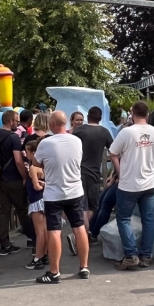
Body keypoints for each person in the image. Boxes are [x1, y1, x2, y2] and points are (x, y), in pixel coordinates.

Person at [32, 111, 91, 283]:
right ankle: (84, 266)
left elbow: (36, 163)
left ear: (51, 123)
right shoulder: (77, 141)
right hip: (75, 191)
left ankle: (54, 272)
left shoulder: (46, 143)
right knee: (79, 227)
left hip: (54, 193)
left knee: (54, 231)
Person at [110, 101, 154, 269]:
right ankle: (146, 255)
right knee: (148, 219)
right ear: (147, 114)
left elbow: (113, 153)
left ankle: (130, 255)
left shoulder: (126, 133)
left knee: (123, 218)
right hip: (149, 182)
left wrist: (120, 173)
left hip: (129, 183)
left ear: (132, 113)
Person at [0, 110, 31, 257]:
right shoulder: (13, 138)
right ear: (10, 121)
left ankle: (4, 243)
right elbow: (18, 160)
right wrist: (24, 176)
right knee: (22, 209)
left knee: (4, 211)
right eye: (16, 121)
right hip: (13, 179)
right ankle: (34, 238)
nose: (17, 124)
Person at [71, 106, 114, 235]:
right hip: (94, 173)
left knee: (82, 205)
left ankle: (81, 232)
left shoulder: (79, 131)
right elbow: (114, 151)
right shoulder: (104, 132)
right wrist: (114, 173)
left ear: (88, 117)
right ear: (100, 118)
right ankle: (82, 233)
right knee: (94, 206)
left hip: (77, 172)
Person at [23, 136, 49, 271]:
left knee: (39, 232)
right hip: (44, 200)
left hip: (35, 201)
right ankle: (45, 254)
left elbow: (36, 187)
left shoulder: (33, 168)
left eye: (27, 152)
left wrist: (38, 184)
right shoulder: (45, 168)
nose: (25, 155)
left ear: (34, 153)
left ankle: (37, 257)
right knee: (44, 230)